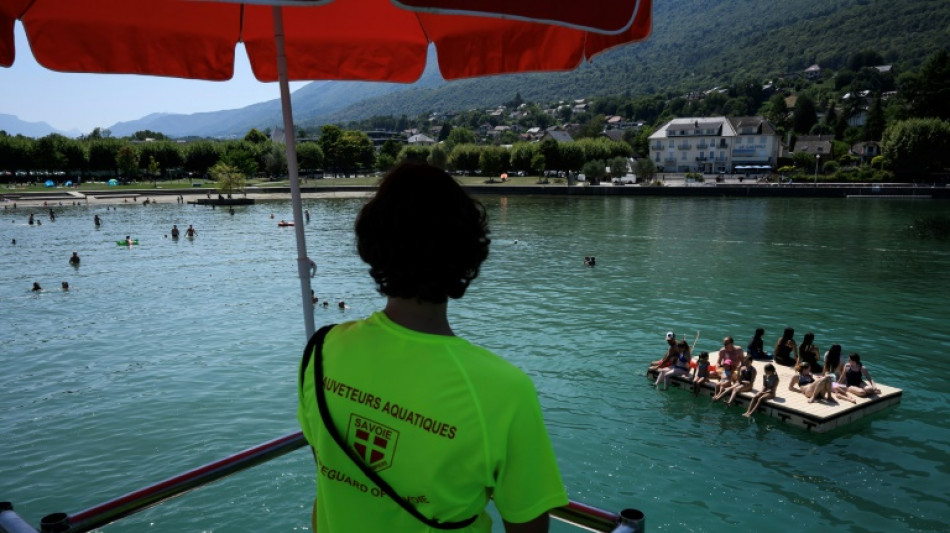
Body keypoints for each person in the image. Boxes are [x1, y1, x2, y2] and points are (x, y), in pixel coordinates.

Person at [297, 162, 568, 533]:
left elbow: (329, 473)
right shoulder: (504, 391)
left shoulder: (321, 353)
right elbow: (527, 525)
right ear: (468, 254)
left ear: (372, 245)